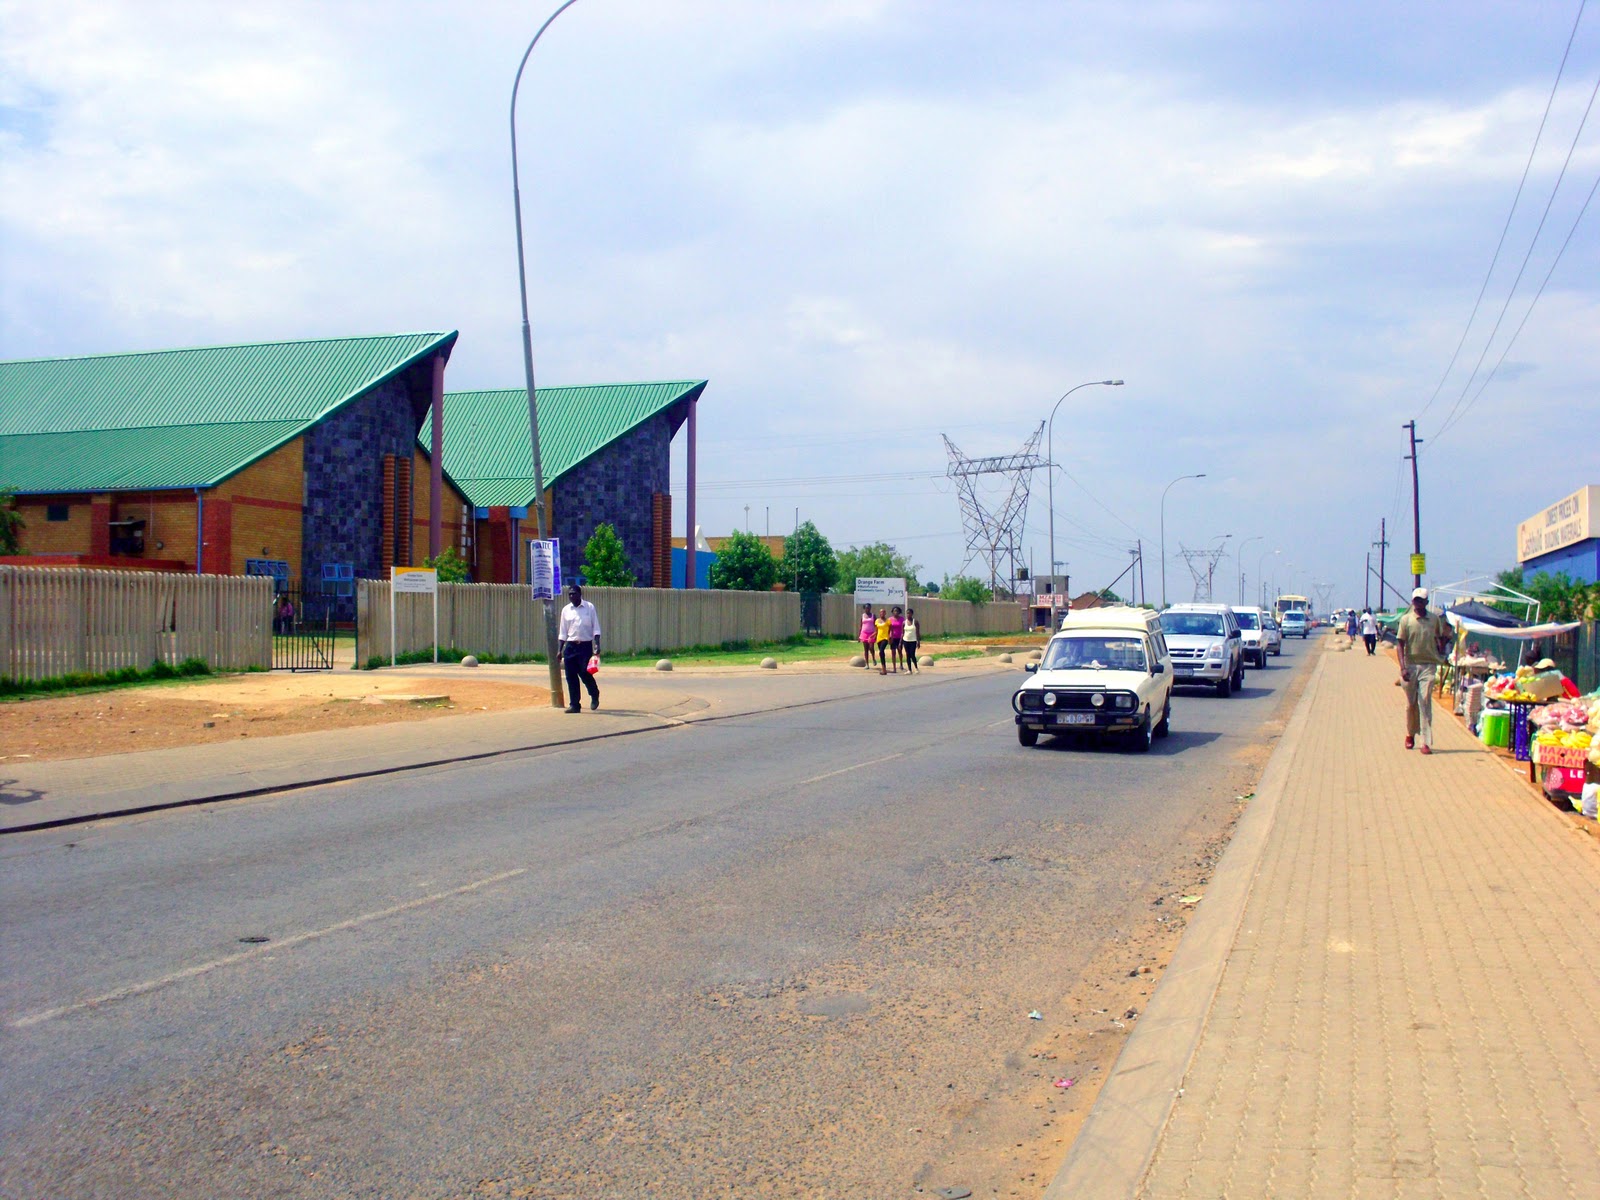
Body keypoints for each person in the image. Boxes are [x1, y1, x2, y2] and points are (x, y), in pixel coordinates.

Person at [1396, 586, 1449, 754]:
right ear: (1412, 602)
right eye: (1415, 600)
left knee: (1425, 701)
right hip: (1410, 666)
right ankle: (1410, 733)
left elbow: (1440, 638)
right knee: (1411, 704)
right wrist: (1403, 667)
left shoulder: (1434, 620)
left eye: (1421, 600)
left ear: (1426, 602)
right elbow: (1400, 644)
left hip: (1428, 665)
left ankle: (1425, 741)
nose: (1418, 603)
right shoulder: (1406, 620)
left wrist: (1444, 643)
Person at [557, 582, 602, 713]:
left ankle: (594, 694)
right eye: (569, 594)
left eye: (574, 594)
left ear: (580, 595)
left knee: (584, 673)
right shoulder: (566, 610)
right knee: (570, 676)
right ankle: (575, 704)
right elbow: (563, 632)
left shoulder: (589, 607)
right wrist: (559, 650)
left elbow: (596, 628)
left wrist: (597, 645)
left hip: (585, 646)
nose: (571, 596)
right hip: (570, 646)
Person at [902, 607, 919, 673]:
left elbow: (917, 632)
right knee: (907, 655)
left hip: (913, 640)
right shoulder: (904, 622)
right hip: (906, 640)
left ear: (912, 614)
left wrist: (918, 641)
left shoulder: (915, 622)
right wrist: (901, 642)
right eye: (907, 613)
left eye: (909, 613)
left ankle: (916, 668)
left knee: (912, 654)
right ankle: (909, 669)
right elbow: (902, 633)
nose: (908, 614)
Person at [888, 606, 905, 673]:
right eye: (895, 611)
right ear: (892, 612)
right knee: (893, 652)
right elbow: (888, 629)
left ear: (899, 612)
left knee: (900, 651)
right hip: (892, 638)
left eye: (897, 611)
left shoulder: (902, 619)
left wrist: (902, 637)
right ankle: (894, 667)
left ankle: (901, 664)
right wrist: (889, 637)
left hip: (900, 637)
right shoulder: (890, 619)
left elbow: (903, 629)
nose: (896, 612)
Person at [874, 607, 891, 674]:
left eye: (883, 612)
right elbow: (876, 631)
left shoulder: (888, 621)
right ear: (879, 613)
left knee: (881, 651)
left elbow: (890, 630)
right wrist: (872, 636)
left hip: (885, 638)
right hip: (879, 638)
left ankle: (884, 669)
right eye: (881, 612)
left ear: (885, 613)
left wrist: (890, 637)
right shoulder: (877, 621)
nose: (882, 613)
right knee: (881, 654)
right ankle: (884, 669)